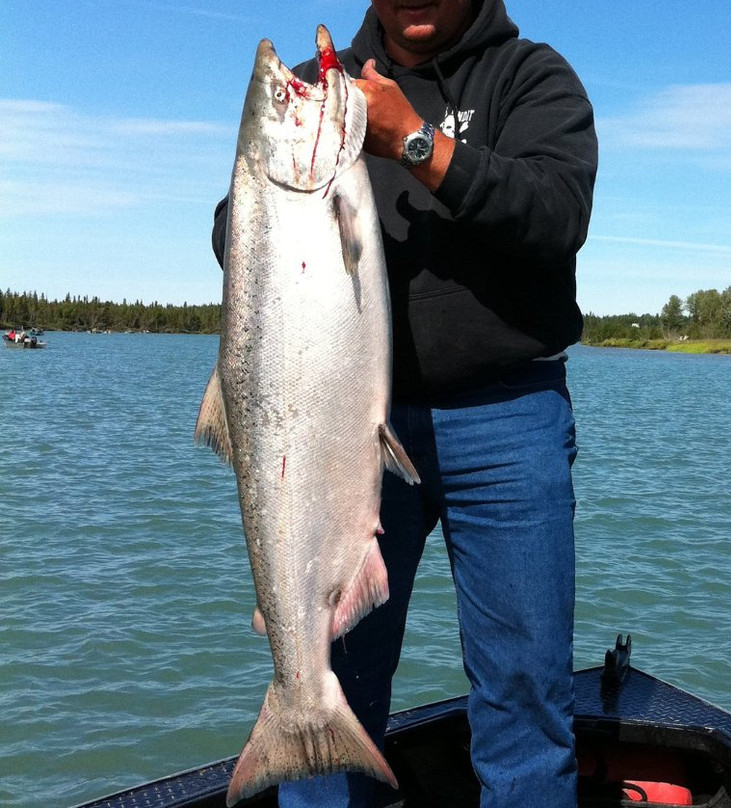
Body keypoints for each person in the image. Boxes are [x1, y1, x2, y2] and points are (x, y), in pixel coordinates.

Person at [211, 2, 597, 806]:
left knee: (525, 690)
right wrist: (274, 190)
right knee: (335, 675)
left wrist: (414, 142)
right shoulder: (325, 88)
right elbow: (234, 232)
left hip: (508, 419)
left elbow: (557, 215)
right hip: (336, 431)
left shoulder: (529, 75)